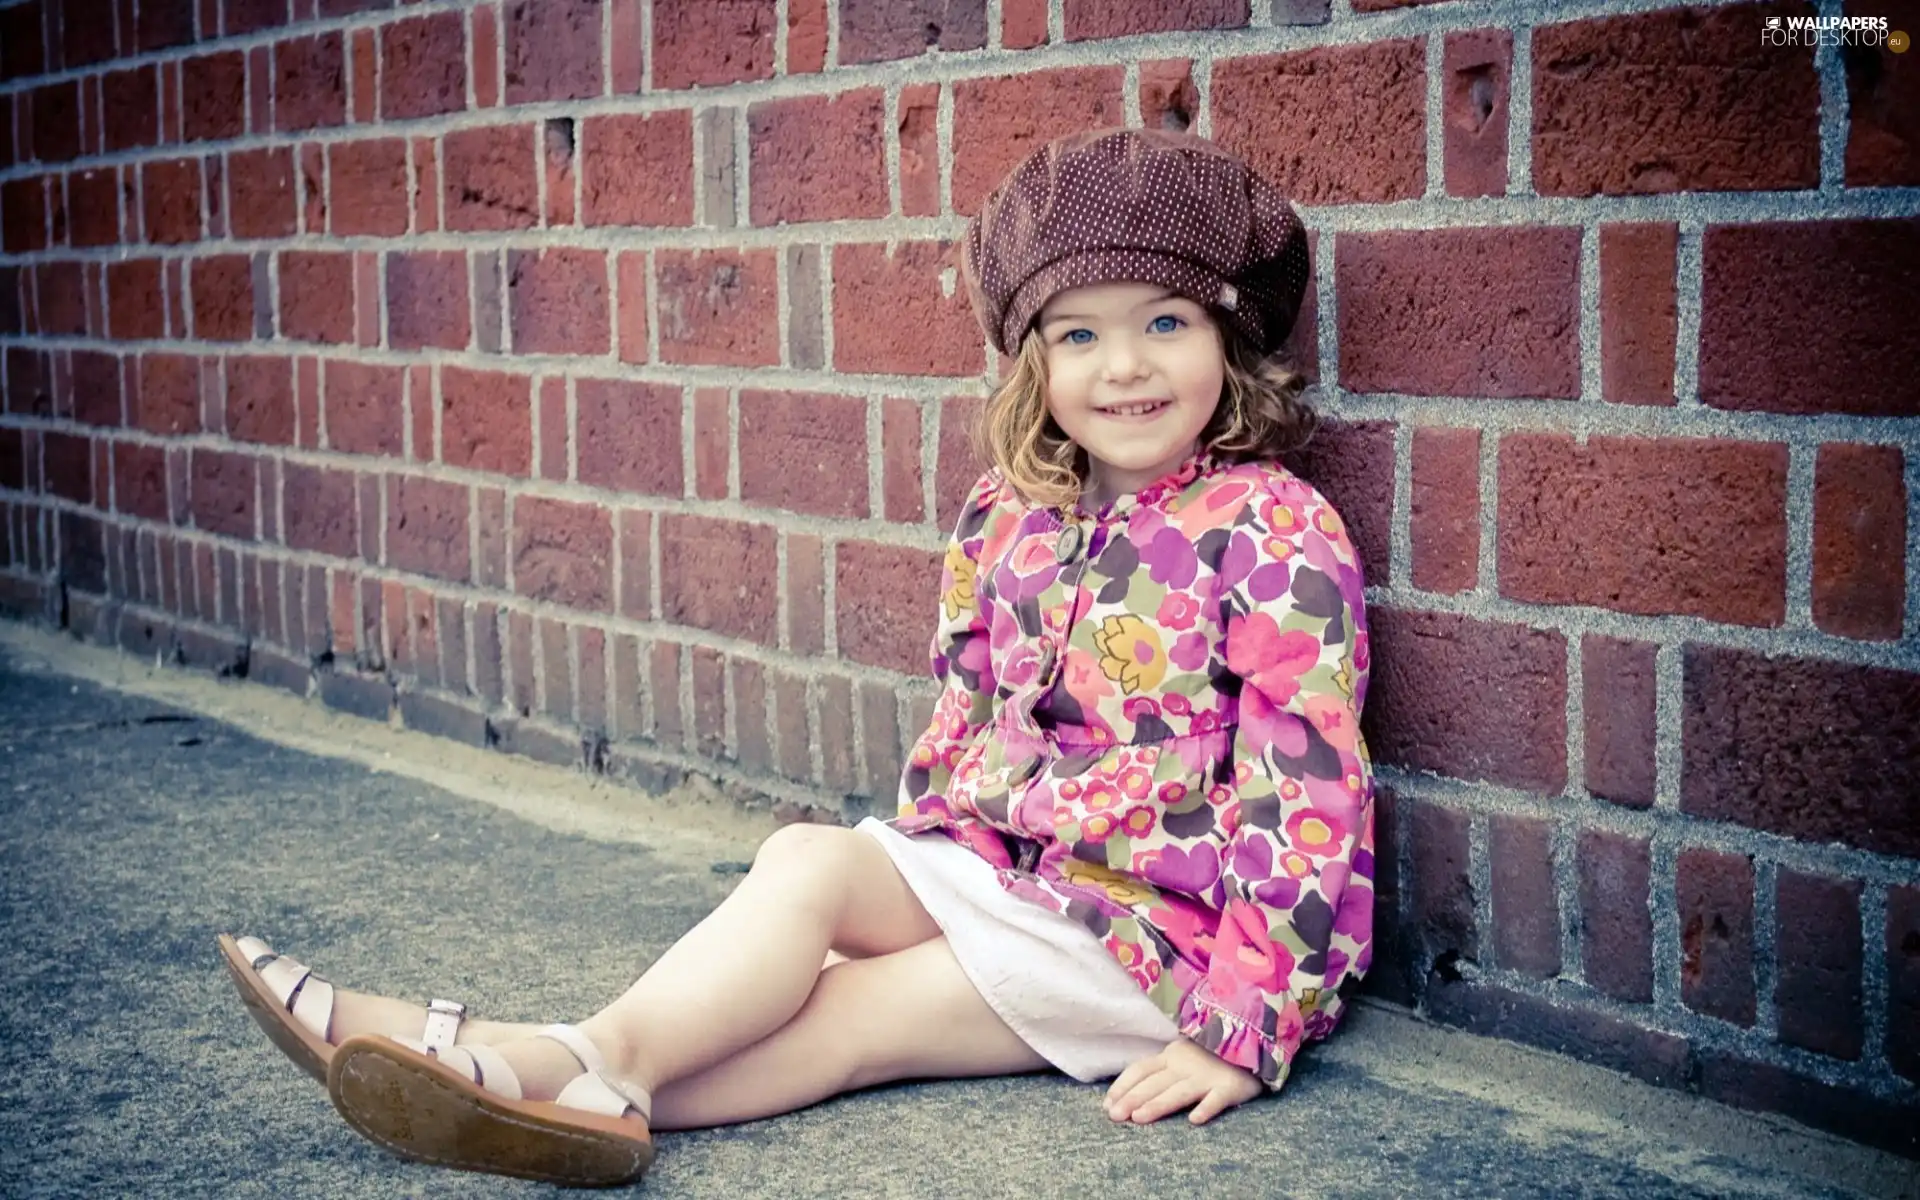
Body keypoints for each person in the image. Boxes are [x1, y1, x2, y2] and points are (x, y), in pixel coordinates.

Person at [218, 126, 1376, 1188]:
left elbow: (1307, 793)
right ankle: (575, 1067)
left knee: (853, 1017)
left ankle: (514, 1066)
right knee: (809, 862)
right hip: (1001, 864)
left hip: (1152, 936)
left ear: (1233, 337)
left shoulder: (1270, 531)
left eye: (1165, 323)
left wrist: (1247, 1026)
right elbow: (967, 712)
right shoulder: (1009, 511)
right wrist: (925, 870)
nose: (1124, 367)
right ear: (1034, 362)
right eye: (1081, 334)